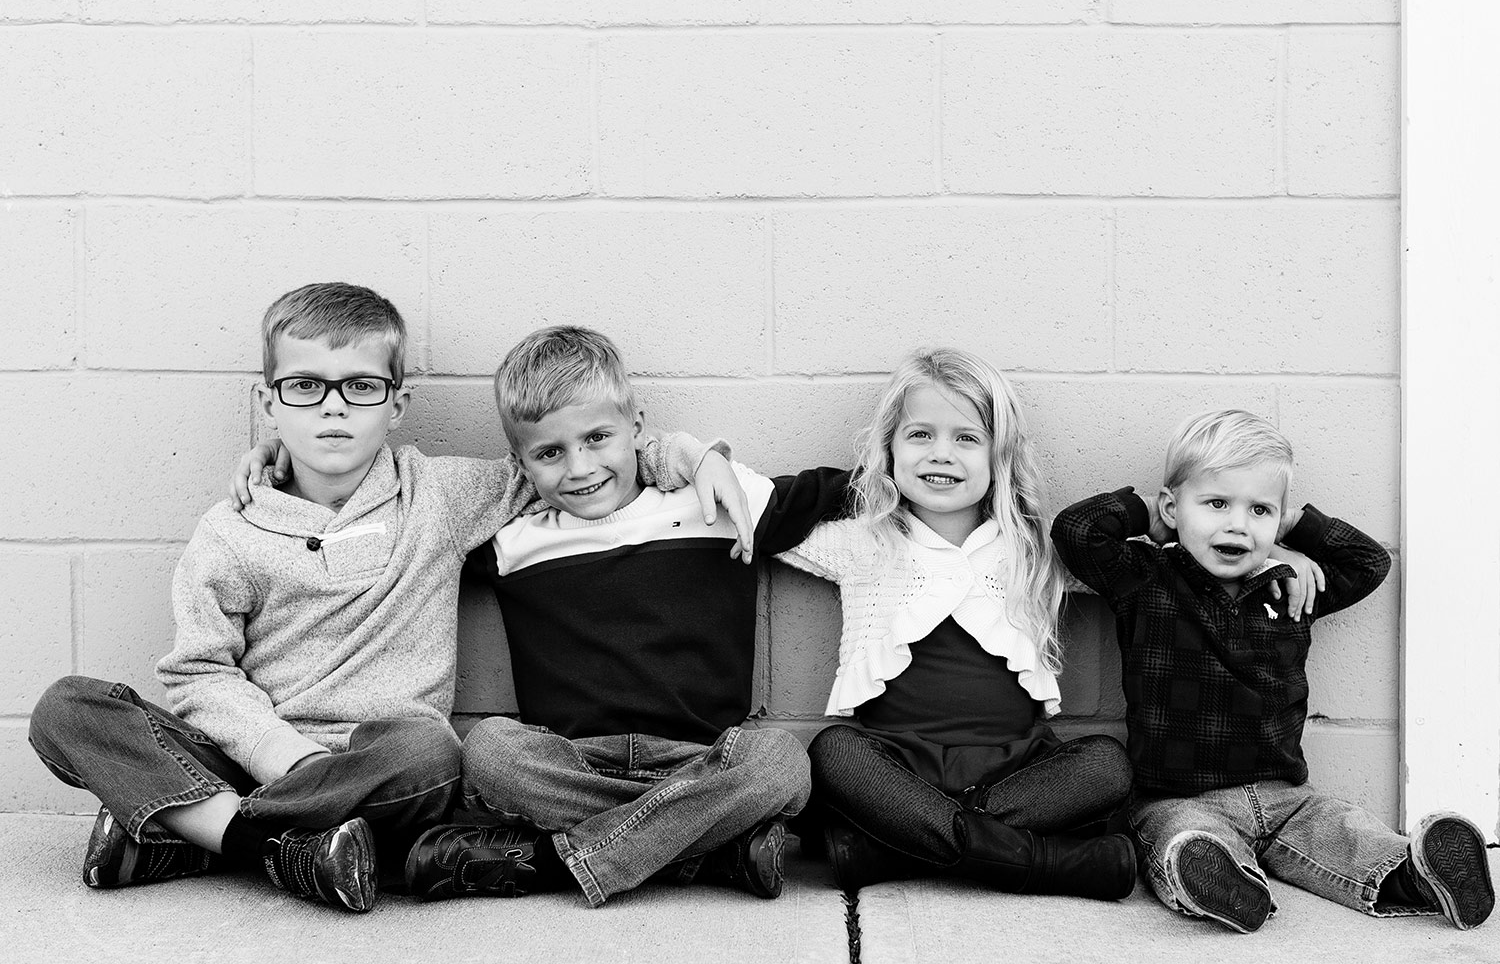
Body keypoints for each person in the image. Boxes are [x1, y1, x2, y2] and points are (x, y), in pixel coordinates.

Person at [28, 284, 729, 914]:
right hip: (251, 759)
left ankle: (196, 835)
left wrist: (688, 456)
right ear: (268, 404)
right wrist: (285, 757)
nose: (333, 406)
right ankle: (272, 847)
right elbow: (197, 673)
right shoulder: (230, 532)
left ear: (397, 405)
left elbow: (572, 462)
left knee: (430, 748)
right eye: (305, 386)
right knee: (67, 708)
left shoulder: (439, 497)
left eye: (360, 387)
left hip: (387, 774)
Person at [402, 325, 855, 908]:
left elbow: (841, 491)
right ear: (520, 463)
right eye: (549, 453)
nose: (579, 467)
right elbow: (400, 533)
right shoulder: (512, 539)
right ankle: (704, 850)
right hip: (572, 763)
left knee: (782, 763)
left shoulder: (716, 503)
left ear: (636, 427)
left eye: (597, 438)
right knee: (490, 752)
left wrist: (953, 471)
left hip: (702, 761)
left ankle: (556, 861)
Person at [1051, 408, 1495, 932]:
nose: (1238, 524)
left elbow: (1368, 562)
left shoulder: (1289, 588)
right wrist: (1151, 516)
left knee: (1342, 829)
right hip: (1178, 794)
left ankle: (1417, 874)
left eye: (1258, 509)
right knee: (1183, 836)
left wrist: (1289, 529)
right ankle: (1225, 882)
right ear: (1174, 507)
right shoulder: (1147, 580)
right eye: (1216, 504)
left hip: (1287, 796)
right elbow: (1077, 530)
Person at [773, 348, 1137, 900]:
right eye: (920, 435)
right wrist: (679, 462)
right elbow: (756, 515)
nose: (940, 454)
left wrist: (1258, 556)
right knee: (833, 753)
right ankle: (1042, 862)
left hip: (1015, 769)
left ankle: (899, 847)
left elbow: (1131, 554)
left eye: (967, 438)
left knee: (1108, 765)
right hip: (898, 767)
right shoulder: (864, 542)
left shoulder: (1034, 550)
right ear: (889, 448)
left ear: (1000, 456)